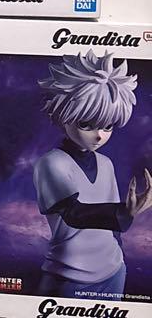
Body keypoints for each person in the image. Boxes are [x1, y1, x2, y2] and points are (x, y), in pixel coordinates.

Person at [34, 52, 152, 300]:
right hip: (67, 275)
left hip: (114, 271)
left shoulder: (106, 164)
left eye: (107, 126)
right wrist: (124, 211)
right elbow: (74, 214)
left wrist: (126, 216)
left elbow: (115, 227)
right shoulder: (51, 163)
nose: (99, 135)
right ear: (63, 115)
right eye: (86, 124)